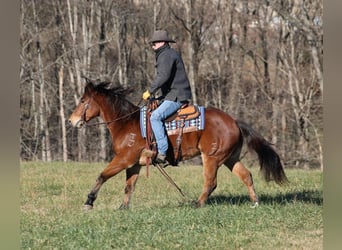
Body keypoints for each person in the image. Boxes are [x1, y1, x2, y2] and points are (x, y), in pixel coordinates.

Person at [143, 30, 192, 166]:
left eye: (155, 43)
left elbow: (163, 76)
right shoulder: (166, 54)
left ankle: (162, 152)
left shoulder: (166, 55)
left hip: (177, 95)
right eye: (152, 43)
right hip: (172, 94)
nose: (152, 45)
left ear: (163, 42)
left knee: (155, 117)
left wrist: (150, 91)